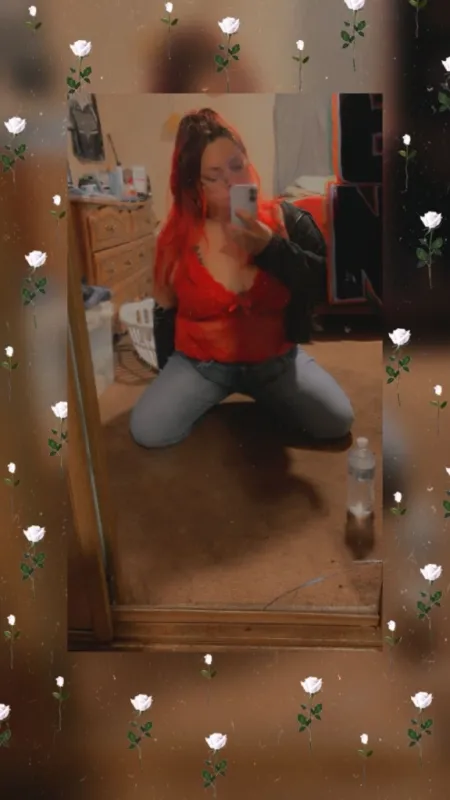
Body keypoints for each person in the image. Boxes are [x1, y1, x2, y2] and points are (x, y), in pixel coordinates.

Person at [130, 108, 354, 448]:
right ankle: (214, 395)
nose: (232, 181)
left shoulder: (286, 220)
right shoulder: (174, 239)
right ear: (194, 184)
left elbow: (329, 286)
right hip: (201, 365)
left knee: (337, 421)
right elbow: (163, 313)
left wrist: (271, 249)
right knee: (149, 430)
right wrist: (169, 382)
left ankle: (266, 394)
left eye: (237, 166)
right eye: (214, 175)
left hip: (276, 362)